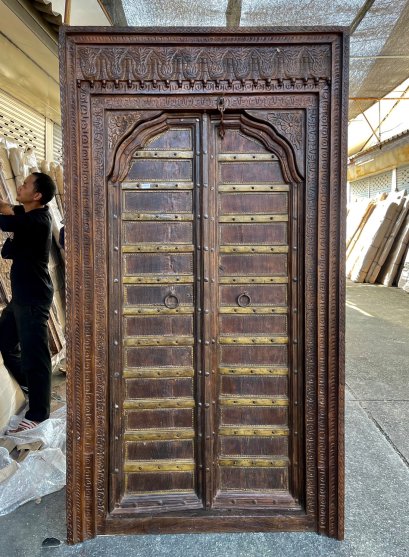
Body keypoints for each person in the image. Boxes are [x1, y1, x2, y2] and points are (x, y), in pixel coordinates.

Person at [0, 172, 56, 433]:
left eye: (24, 185)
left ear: (37, 196)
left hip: (33, 298)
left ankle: (39, 413)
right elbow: (5, 209)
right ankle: (28, 383)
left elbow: (4, 221)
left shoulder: (38, 221)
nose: (19, 187)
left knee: (36, 355)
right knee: (5, 341)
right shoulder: (25, 215)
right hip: (21, 297)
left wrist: (9, 217)